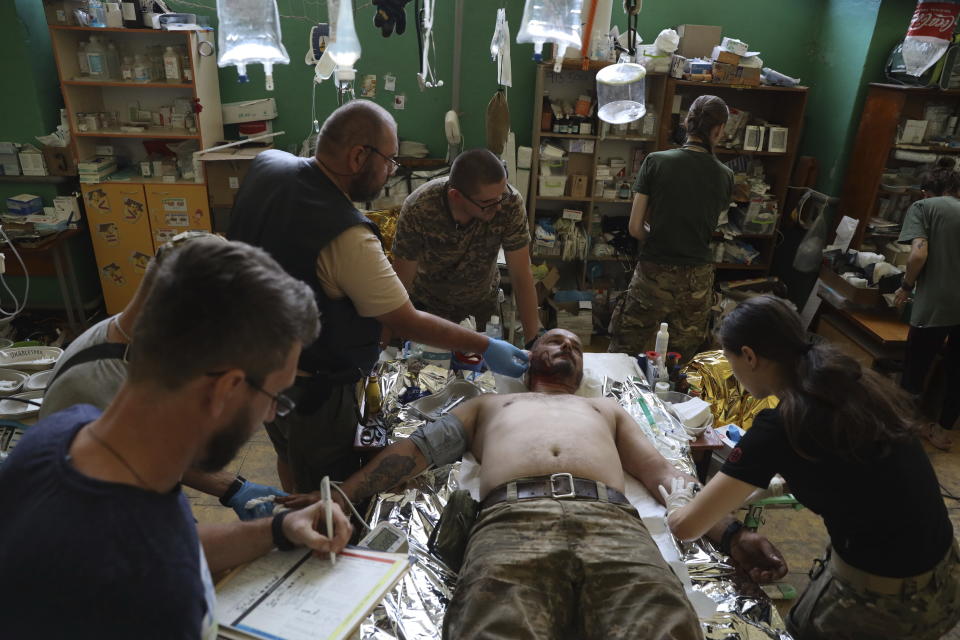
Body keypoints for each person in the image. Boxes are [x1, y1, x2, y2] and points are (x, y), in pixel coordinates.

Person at [311, 328, 786, 639]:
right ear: (529, 354)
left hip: (612, 524)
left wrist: (733, 534)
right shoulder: (489, 405)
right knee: (488, 628)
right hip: (513, 522)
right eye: (556, 341)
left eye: (577, 348)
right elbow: (416, 451)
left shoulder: (604, 409)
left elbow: (668, 479)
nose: (569, 350)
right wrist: (340, 494)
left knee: (666, 624)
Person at [0, 238, 352, 638]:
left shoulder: (63, 435)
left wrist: (278, 529)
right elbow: (146, 557)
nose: (272, 413)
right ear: (225, 390)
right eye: (275, 397)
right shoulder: (157, 595)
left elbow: (168, 540)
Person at [229, 100, 528, 494]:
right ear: (358, 157)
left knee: (289, 455)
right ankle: (314, 535)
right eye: (390, 160)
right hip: (312, 387)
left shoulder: (269, 164)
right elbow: (404, 318)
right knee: (327, 484)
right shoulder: (346, 235)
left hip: (258, 362)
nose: (391, 170)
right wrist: (484, 343)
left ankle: (294, 508)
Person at [663, 295, 960, 640]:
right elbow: (849, 470)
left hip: (884, 600)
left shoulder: (780, 425)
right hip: (945, 577)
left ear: (749, 356)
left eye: (731, 362)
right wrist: (762, 488)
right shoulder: (848, 380)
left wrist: (678, 499)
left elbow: (685, 527)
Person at [40, 231, 284, 520]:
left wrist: (234, 488)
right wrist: (270, 533)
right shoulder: (95, 385)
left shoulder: (136, 342)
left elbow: (153, 445)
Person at [609, 95, 733, 361]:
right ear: (718, 129)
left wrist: (657, 238)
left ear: (688, 123)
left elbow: (634, 227)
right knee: (680, 363)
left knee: (626, 354)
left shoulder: (656, 161)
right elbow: (707, 221)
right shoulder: (725, 175)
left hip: (654, 273)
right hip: (697, 283)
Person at [392, 148, 541, 345]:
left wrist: (534, 339)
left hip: (482, 309)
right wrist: (391, 334)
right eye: (487, 202)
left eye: (501, 195)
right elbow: (401, 283)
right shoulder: (419, 207)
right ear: (456, 196)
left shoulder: (510, 202)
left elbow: (521, 274)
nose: (498, 206)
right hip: (429, 310)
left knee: (484, 373)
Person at [894, 157, 960, 451]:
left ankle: (902, 431)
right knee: (957, 371)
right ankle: (943, 431)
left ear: (925, 191)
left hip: (936, 304)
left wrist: (905, 287)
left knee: (916, 368)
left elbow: (918, 255)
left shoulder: (923, 207)